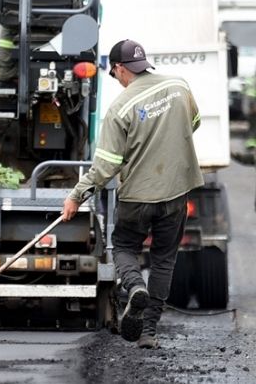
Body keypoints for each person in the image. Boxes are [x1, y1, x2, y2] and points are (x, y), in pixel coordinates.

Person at [61, 39, 203, 349]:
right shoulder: (179, 86)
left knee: (124, 246)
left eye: (114, 74)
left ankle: (135, 286)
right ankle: (149, 331)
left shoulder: (120, 108)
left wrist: (76, 196)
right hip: (176, 193)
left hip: (137, 197)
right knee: (164, 261)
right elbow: (194, 122)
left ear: (120, 69)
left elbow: (106, 167)